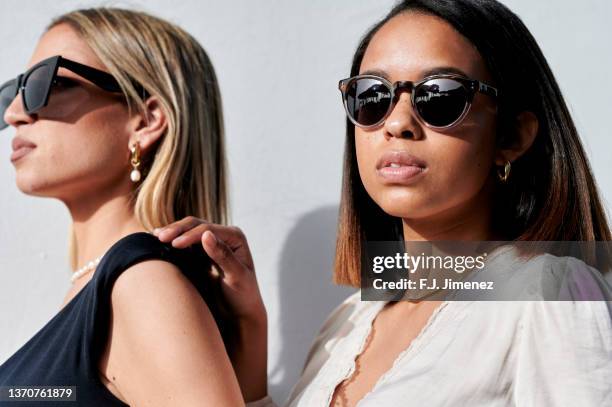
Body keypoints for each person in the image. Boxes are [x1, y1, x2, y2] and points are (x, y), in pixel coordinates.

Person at [155, 0, 612, 406]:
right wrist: (251, 332)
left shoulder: (549, 291)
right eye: (371, 96)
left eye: (440, 96)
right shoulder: (349, 320)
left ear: (511, 136)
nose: (397, 122)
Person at [0, 7, 258, 406]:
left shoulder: (140, 282)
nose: (15, 112)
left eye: (48, 84)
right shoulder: (107, 288)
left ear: (146, 119)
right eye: (15, 90)